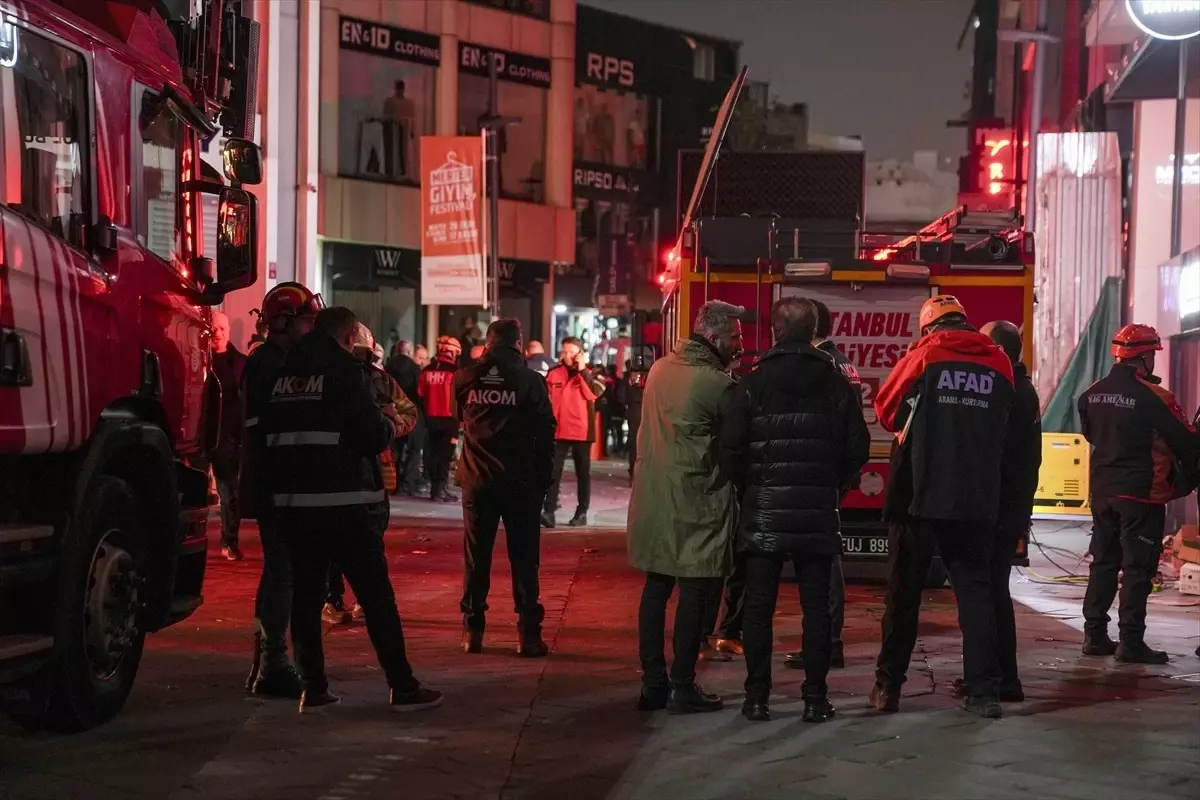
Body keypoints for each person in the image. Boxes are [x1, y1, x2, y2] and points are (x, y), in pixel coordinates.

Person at [262, 306, 440, 713]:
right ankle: (403, 686)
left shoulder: (283, 374)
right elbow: (372, 435)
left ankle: (315, 688)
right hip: (347, 503)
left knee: (306, 597)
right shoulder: (347, 374)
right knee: (377, 598)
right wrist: (389, 421)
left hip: (295, 505)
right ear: (347, 338)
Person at [871, 295, 1015, 719]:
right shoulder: (1000, 362)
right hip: (976, 497)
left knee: (904, 595)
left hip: (921, 494)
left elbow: (886, 411)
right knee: (975, 594)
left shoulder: (925, 355)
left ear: (929, 327)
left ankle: (888, 688)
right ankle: (984, 693)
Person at [726, 298, 869, 723]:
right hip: (816, 513)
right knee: (816, 609)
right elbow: (858, 448)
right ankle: (814, 698)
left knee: (758, 608)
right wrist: (833, 484)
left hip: (764, 512)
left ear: (774, 331)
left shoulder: (751, 384)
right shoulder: (836, 384)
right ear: (812, 333)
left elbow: (730, 449)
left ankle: (756, 698)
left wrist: (749, 487)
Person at [627, 301, 743, 714]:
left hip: (655, 498)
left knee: (656, 588)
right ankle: (682, 683)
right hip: (697, 502)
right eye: (735, 337)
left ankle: (652, 683)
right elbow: (736, 450)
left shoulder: (660, 369)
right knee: (694, 592)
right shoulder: (718, 386)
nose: (740, 346)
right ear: (712, 339)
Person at [1078, 324, 1200, 664]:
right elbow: (1187, 441)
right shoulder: (1155, 397)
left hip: (1102, 493)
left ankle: (1095, 636)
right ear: (1144, 357)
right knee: (1136, 569)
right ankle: (1130, 642)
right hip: (1141, 496)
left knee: (1103, 562)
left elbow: (1091, 435)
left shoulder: (1091, 394)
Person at [937, 320, 1040, 702]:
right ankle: (1003, 678)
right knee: (994, 591)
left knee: (986, 593)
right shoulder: (1021, 389)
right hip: (1007, 507)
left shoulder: (1011, 391)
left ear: (999, 350)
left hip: (995, 508)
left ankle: (995, 679)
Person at [239, 282, 323, 698]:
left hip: (279, 483)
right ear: (283, 321)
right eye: (307, 321)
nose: (311, 329)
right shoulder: (269, 365)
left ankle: (268, 662)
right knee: (282, 574)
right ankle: (272, 662)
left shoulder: (274, 360)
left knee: (280, 573)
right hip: (279, 484)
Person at [455, 319, 557, 656]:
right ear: (519, 345)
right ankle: (528, 634)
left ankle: (473, 631)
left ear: (488, 343)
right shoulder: (530, 381)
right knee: (525, 560)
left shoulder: (465, 378)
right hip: (521, 482)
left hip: (476, 479)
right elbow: (545, 434)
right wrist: (544, 480)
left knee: (476, 557)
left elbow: (463, 420)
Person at [785, 298, 861, 671]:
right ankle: (826, 642)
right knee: (826, 560)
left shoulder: (823, 364)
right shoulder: (842, 361)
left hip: (815, 475)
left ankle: (826, 643)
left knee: (822, 564)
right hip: (832, 474)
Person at [326, 327, 419, 625]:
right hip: (336, 470)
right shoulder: (327, 380)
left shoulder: (382, 380)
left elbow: (409, 412)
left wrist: (391, 425)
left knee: (372, 538)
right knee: (334, 540)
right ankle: (333, 599)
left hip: (377, 470)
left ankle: (365, 599)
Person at [543, 338, 606, 528]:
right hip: (558, 430)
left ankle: (581, 512)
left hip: (581, 431)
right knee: (553, 472)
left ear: (580, 353)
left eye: (571, 352)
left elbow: (593, 393)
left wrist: (581, 371)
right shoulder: (554, 373)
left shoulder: (594, 373)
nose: (566, 355)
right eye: (564, 351)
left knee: (582, 474)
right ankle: (549, 511)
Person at [211, 310, 247, 562]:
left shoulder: (241, 364)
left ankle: (229, 540)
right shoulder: (198, 360)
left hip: (228, 436)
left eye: (222, 329)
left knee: (230, 493)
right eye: (214, 328)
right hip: (203, 434)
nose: (218, 333)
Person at [419, 336, 463, 502]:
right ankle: (440, 489)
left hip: (430, 418)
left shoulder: (427, 370)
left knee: (433, 453)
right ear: (453, 352)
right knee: (445, 456)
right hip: (449, 419)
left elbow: (420, 393)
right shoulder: (455, 372)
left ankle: (435, 488)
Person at [386, 340, 426, 497]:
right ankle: (407, 484)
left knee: (395, 449)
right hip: (411, 412)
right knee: (414, 450)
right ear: (409, 352)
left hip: (392, 411)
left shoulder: (389, 367)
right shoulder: (415, 368)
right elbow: (420, 391)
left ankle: (393, 483)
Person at [624, 359, 644, 482]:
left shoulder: (627, 380)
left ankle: (633, 472)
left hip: (633, 414)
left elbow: (621, 396)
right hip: (642, 413)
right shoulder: (646, 378)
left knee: (634, 444)